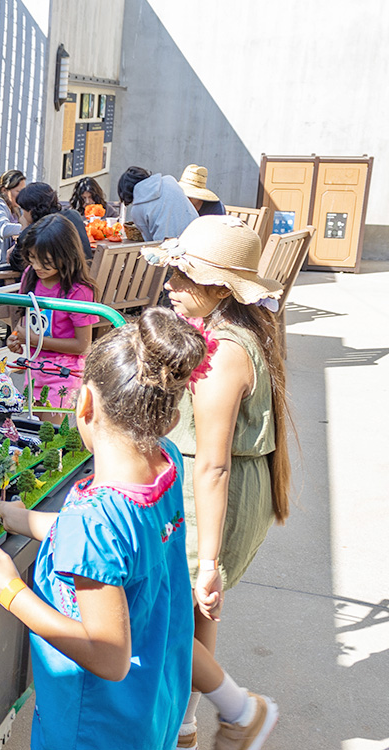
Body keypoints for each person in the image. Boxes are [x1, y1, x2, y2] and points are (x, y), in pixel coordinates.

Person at [0, 307, 207, 749]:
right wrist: (29, 521)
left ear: (84, 403)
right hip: (153, 699)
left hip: (97, 726)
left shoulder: (93, 520)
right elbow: (121, 549)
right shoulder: (166, 462)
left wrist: (6, 589)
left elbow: (109, 656)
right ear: (169, 419)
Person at [147, 215, 289, 749]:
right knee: (193, 613)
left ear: (222, 287)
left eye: (185, 278)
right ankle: (186, 727)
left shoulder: (225, 350)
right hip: (216, 491)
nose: (171, 286)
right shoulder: (231, 331)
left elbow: (212, 464)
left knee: (175, 612)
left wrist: (208, 561)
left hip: (212, 494)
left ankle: (239, 709)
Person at [5, 213, 99, 416]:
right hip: (34, 367)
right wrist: (16, 337)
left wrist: (35, 340)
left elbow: (83, 345)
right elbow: (27, 321)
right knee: (33, 427)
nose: (37, 266)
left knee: (50, 436)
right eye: (32, 258)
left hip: (64, 372)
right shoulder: (31, 275)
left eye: (45, 262)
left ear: (66, 256)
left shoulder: (78, 290)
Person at [12, 181, 91, 269]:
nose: (23, 214)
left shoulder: (36, 230)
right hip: (84, 273)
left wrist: (25, 228)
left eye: (23, 210)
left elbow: (17, 264)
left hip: (60, 280)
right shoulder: (73, 215)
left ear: (30, 210)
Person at [118, 166, 197, 242]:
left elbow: (149, 241)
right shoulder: (170, 180)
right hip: (199, 235)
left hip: (169, 249)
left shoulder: (137, 209)